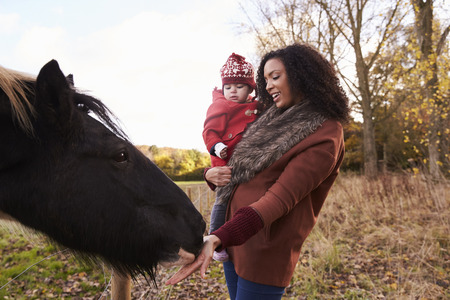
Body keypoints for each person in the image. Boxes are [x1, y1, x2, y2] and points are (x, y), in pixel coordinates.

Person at [167, 43, 350, 300]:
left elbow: (278, 200)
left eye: (275, 77)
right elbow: (241, 168)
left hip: (264, 251)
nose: (269, 86)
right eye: (265, 80)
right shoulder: (269, 118)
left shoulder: (325, 133)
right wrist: (210, 174)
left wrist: (219, 237)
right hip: (233, 242)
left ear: (303, 75)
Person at [202, 53, 259, 262]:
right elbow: (209, 132)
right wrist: (217, 147)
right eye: (228, 87)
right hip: (224, 161)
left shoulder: (257, 107)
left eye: (239, 86)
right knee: (223, 200)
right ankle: (215, 238)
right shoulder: (220, 106)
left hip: (247, 163)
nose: (232, 91)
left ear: (251, 89)